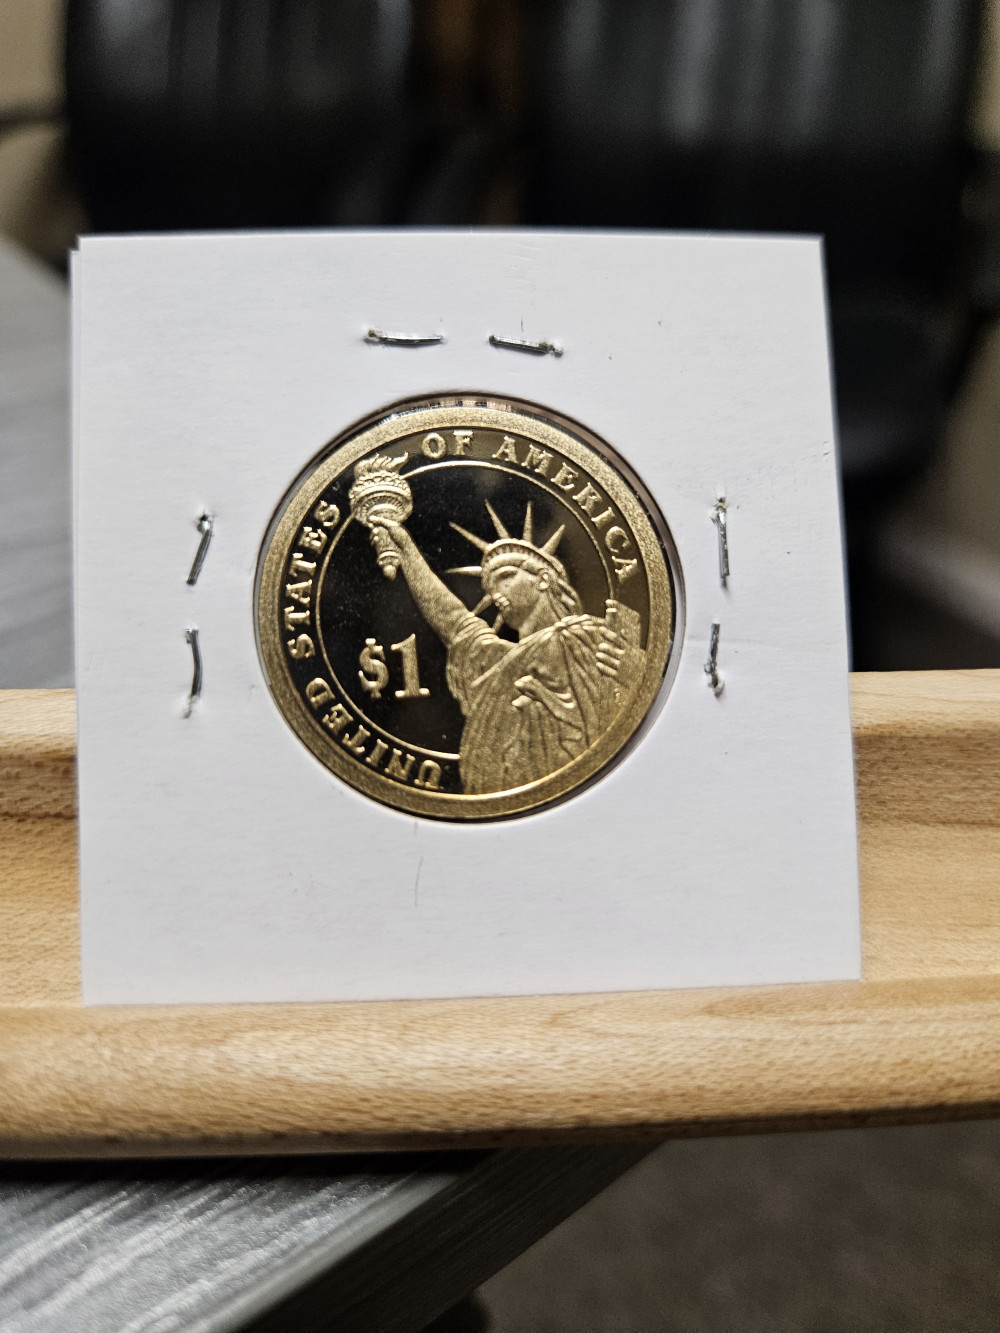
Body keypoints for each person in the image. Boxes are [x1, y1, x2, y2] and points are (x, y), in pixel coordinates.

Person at [371, 500, 644, 794]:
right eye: (489, 587)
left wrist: (635, 668)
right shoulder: (499, 659)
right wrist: (406, 549)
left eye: (505, 578)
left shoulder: (585, 637)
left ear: (543, 579)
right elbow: (451, 619)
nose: (494, 594)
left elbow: (629, 709)